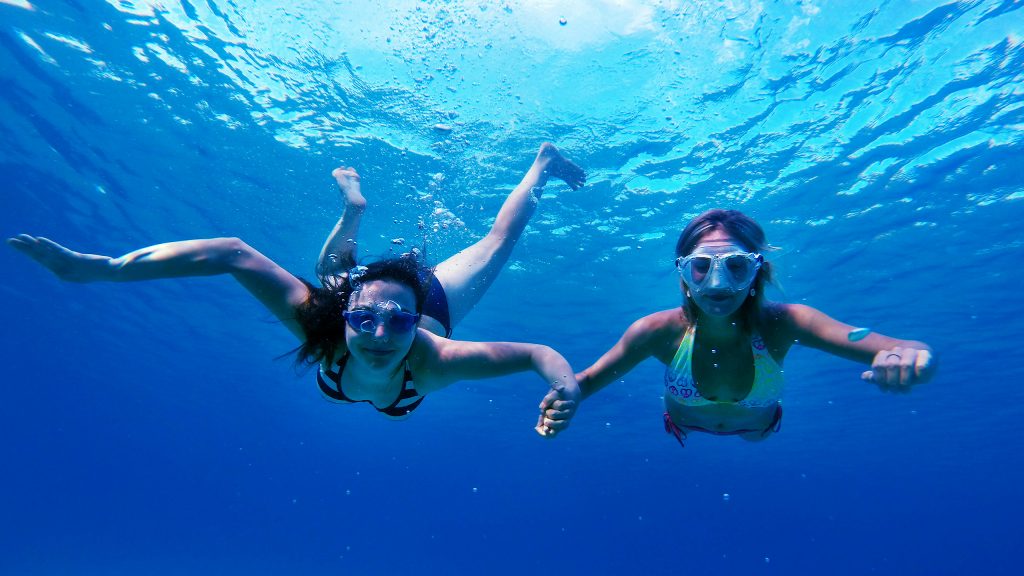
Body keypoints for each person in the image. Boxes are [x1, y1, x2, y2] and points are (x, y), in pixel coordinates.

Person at [8, 143, 586, 437]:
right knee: (341, 270)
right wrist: (105, 268)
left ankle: (537, 165)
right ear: (348, 319)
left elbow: (538, 356)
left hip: (415, 294)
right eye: (367, 321)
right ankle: (359, 208)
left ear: (414, 323)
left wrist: (563, 384)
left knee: (488, 242)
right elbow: (231, 251)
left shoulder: (433, 358)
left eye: (397, 323)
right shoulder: (334, 323)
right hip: (359, 294)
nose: (381, 336)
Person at [541, 209, 936, 446]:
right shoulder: (656, 331)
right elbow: (586, 381)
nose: (717, 285)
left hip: (758, 429)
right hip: (684, 425)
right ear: (683, 274)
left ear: (756, 270)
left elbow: (908, 348)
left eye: (736, 266)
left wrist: (912, 361)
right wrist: (569, 398)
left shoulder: (788, 323)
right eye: (702, 266)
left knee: (753, 439)